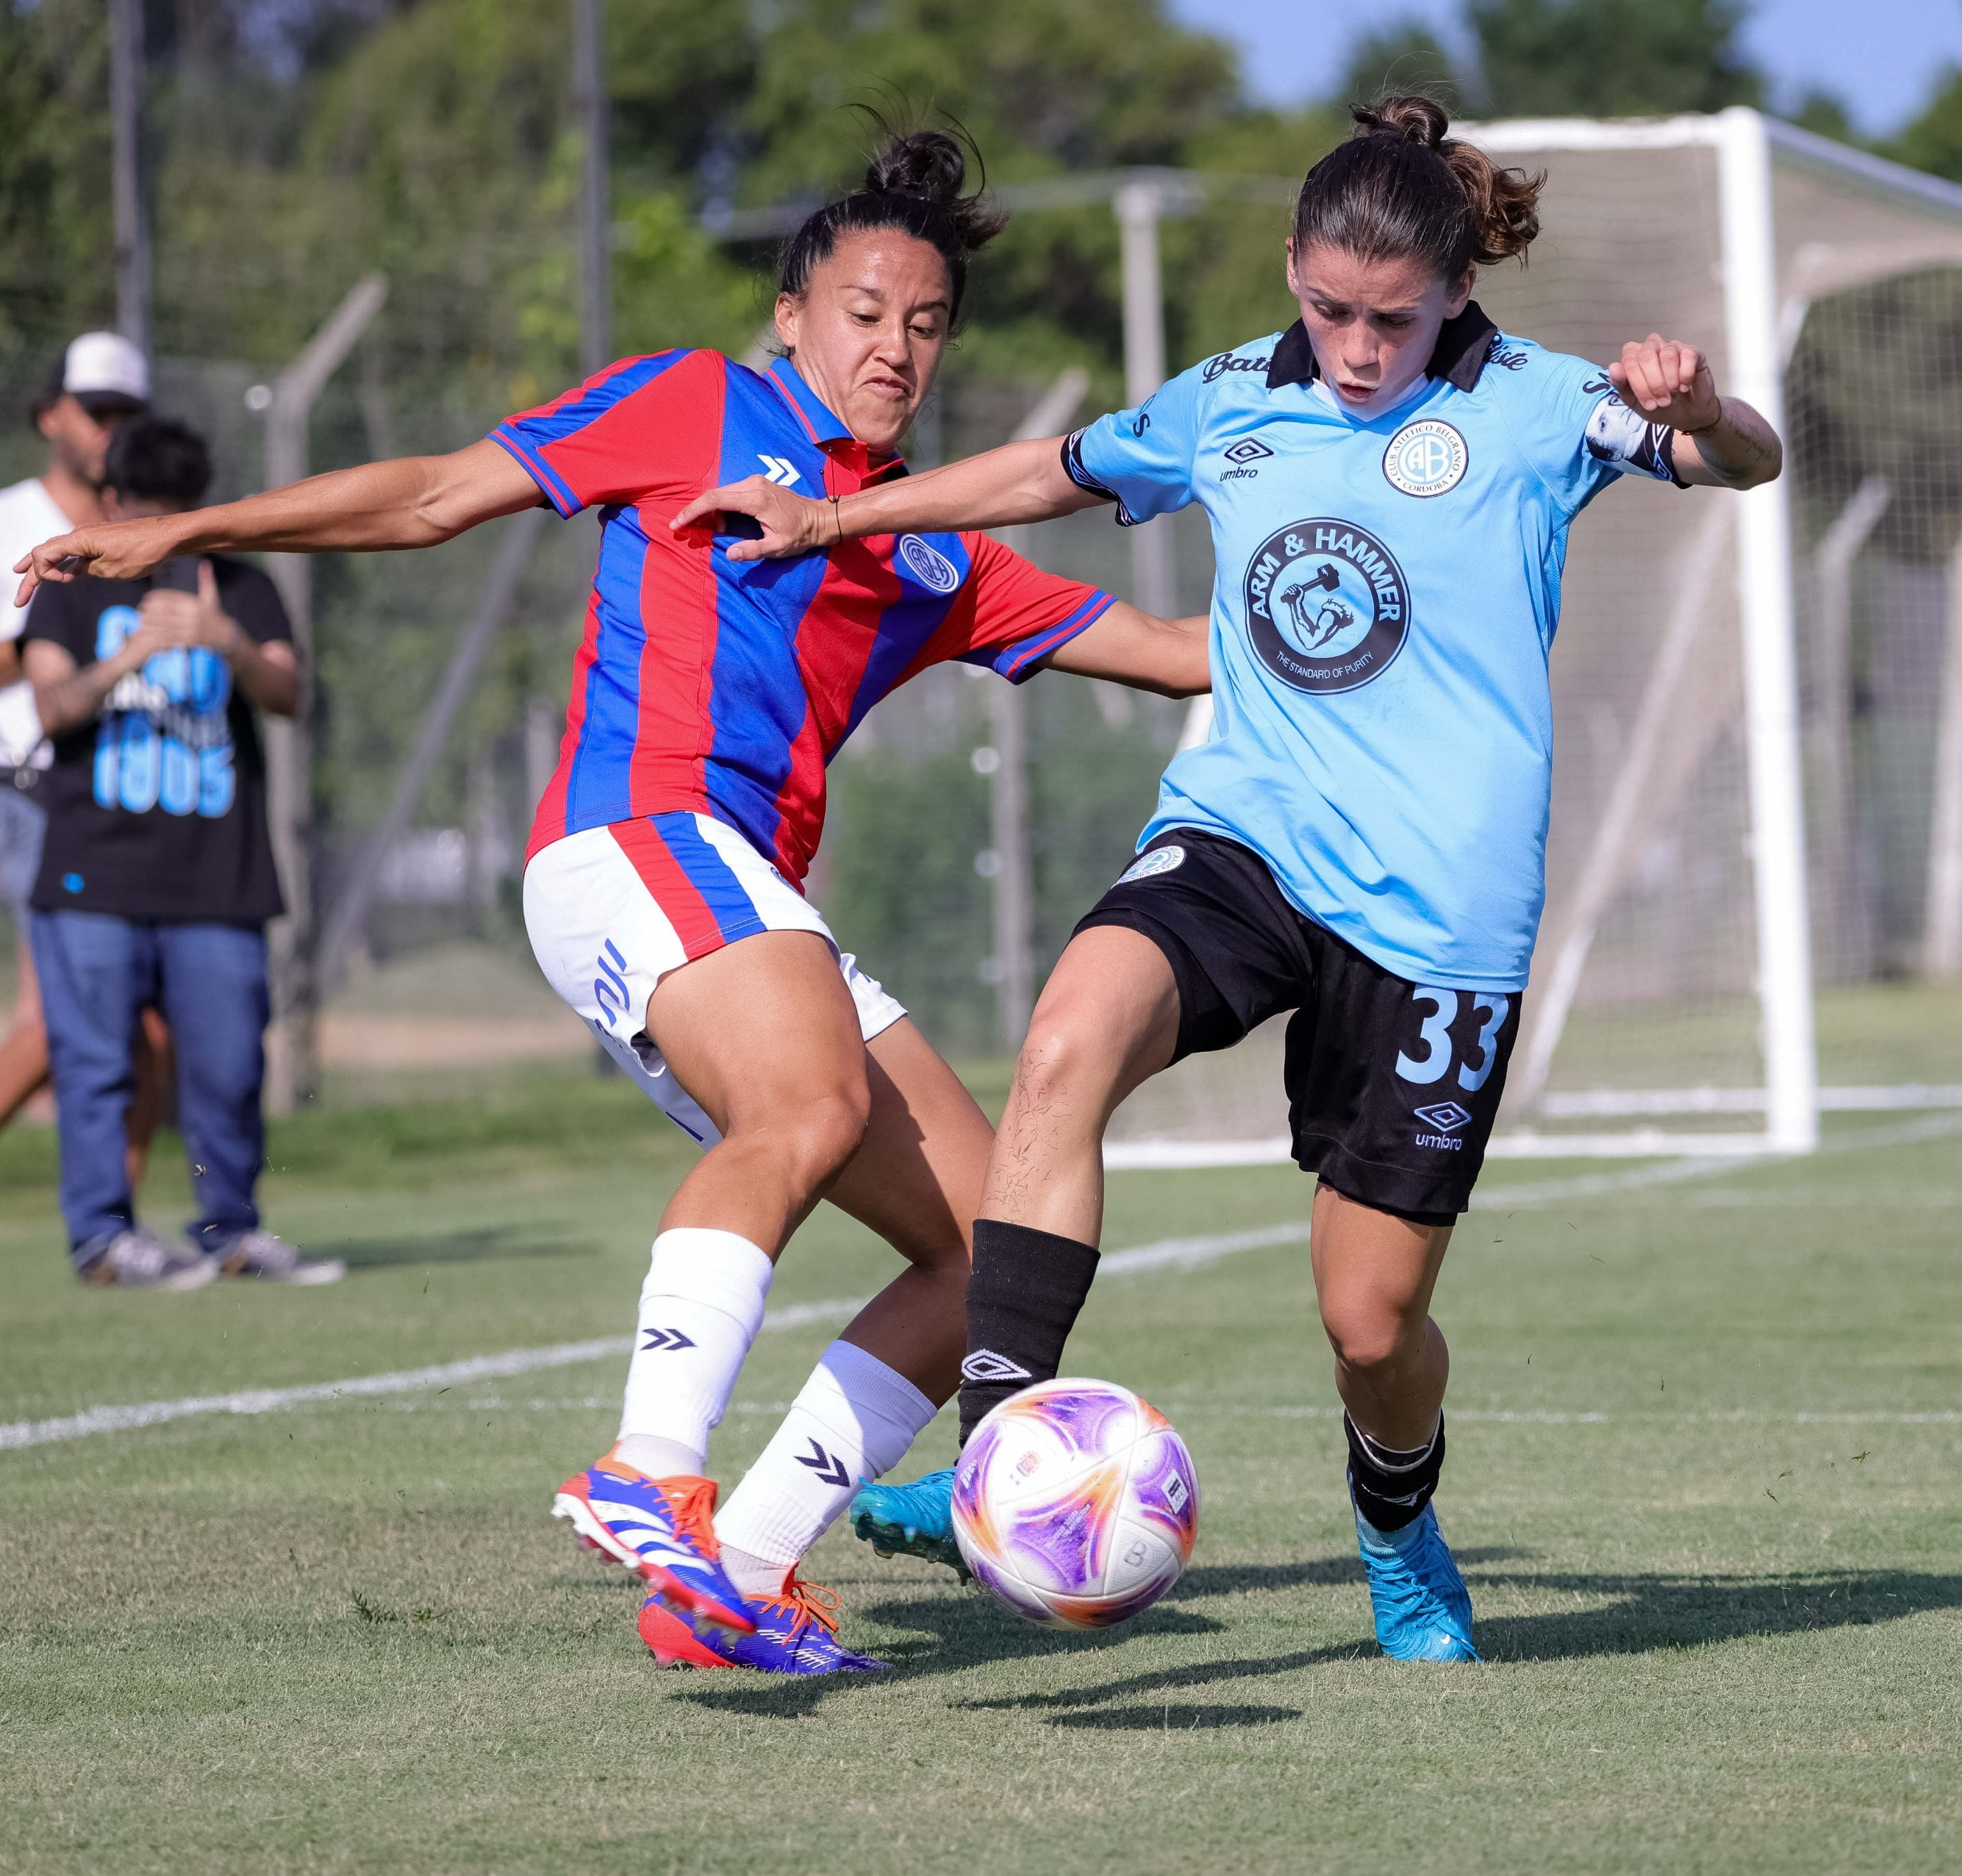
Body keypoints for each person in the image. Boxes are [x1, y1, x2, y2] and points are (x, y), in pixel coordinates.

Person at [18, 126, 1209, 1676]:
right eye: (862, 312)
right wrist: (188, 528)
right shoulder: (694, 403)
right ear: (789, 314)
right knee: (804, 1100)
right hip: (631, 837)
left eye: (924, 325)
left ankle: (738, 1573)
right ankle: (649, 1465)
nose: (894, 348)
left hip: (743, 895)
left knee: (988, 1246)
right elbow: (435, 496)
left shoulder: (924, 546)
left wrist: (1379, 573)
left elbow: (1177, 651)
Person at [681, 96, 1784, 1663]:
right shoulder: (1230, 397)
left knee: (1369, 1323)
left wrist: (1708, 404)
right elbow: (1042, 476)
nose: (1351, 347)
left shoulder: (1549, 407)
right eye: (1325, 308)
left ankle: (1397, 1529)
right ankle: (1006, 1451)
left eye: (1389, 321)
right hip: (1246, 837)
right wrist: (832, 511)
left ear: (1456, 296)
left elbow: (1744, 464)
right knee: (1066, 1041)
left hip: (1436, 916)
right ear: (1289, 273)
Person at [19, 415, 332, 1289]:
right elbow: (51, 708)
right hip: (93, 874)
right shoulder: (71, 590)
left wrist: (223, 639)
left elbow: (289, 693)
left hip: (216, 878)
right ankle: (102, 1237)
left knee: (230, 1064)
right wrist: (132, 653)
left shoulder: (241, 586)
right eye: (143, 509)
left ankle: (229, 1229)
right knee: (95, 1065)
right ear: (110, 502)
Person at [0, 332, 171, 1281]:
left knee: (154, 1024)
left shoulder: (148, 521)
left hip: (140, 791)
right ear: (51, 414)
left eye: (127, 413)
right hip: (37, 789)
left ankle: (117, 1235)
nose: (110, 430)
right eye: (96, 410)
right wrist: (66, 627)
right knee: (68, 1012)